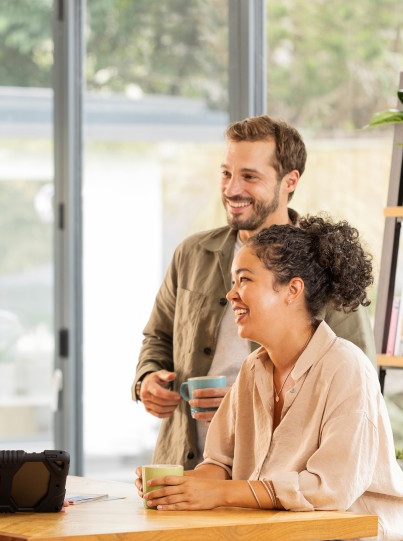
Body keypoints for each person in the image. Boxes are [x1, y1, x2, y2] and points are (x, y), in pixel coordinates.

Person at [127, 216, 403, 541]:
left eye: (245, 280)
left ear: (292, 290)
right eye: (232, 281)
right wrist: (182, 485)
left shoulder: (346, 368)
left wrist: (221, 493)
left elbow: (330, 490)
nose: (231, 295)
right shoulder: (252, 372)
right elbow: (220, 464)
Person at [132, 115, 376, 471]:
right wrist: (148, 379)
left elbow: (355, 381)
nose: (232, 189)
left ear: (289, 181)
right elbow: (158, 335)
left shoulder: (321, 264)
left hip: (272, 474)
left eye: (249, 176)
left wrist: (251, 404)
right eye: (226, 173)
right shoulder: (192, 253)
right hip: (185, 466)